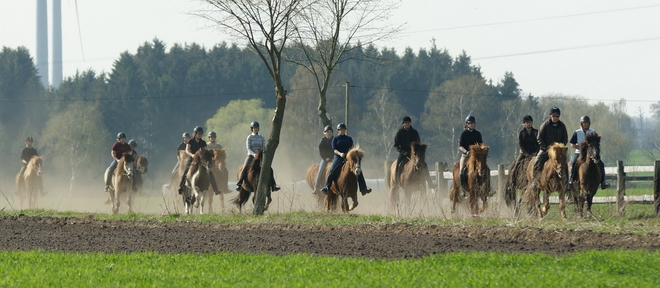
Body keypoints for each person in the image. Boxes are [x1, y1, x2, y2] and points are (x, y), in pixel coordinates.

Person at [320, 123, 372, 195]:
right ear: (338, 131)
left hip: (348, 157)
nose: (342, 131)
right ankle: (326, 186)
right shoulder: (335, 138)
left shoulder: (349, 138)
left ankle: (363, 188)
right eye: (341, 130)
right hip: (338, 157)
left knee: (358, 169)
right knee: (332, 170)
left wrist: (350, 154)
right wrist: (340, 153)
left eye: (343, 130)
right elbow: (334, 149)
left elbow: (351, 148)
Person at [235, 121, 280, 192]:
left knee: (270, 168)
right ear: (252, 129)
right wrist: (254, 154)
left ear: (258, 129)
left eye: (256, 128)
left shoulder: (261, 137)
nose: (255, 129)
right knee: (244, 167)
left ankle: (273, 185)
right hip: (251, 156)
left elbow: (263, 147)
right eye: (254, 128)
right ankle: (239, 183)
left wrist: (260, 153)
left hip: (260, 156)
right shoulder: (249, 137)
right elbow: (248, 148)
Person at [567, 116, 609, 190]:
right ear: (581, 124)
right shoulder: (577, 132)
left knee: (601, 164)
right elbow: (572, 144)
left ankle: (603, 182)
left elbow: (596, 142)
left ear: (589, 124)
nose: (585, 124)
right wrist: (580, 148)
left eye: (587, 123)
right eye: (584, 123)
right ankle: (571, 181)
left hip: (591, 153)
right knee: (573, 163)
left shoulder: (592, 132)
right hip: (579, 153)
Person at [177, 126, 221, 195]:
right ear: (195, 133)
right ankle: (181, 186)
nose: (200, 135)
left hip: (201, 160)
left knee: (210, 171)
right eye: (198, 133)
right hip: (192, 159)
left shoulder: (203, 142)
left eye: (201, 133)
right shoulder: (190, 141)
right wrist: (192, 155)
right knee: (186, 170)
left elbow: (205, 150)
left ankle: (216, 189)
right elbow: (187, 150)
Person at [532, 107, 568, 179]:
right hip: (545, 149)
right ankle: (534, 181)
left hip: (558, 151)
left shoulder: (562, 126)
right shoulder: (545, 125)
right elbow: (539, 138)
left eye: (557, 116)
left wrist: (561, 147)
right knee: (536, 163)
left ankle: (567, 183)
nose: (555, 118)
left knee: (565, 165)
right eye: (553, 116)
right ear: (550, 115)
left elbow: (565, 139)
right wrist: (546, 148)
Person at [508, 115, 539, 188]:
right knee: (516, 165)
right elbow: (521, 144)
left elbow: (538, 143)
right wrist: (527, 154)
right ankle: (512, 183)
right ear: (524, 124)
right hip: (524, 152)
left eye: (530, 122)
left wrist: (537, 153)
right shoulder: (521, 133)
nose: (529, 124)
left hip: (535, 152)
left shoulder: (536, 132)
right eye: (527, 122)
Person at [393, 116, 421, 186]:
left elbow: (418, 143)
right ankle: (396, 182)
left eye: (408, 123)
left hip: (414, 153)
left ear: (410, 123)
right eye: (406, 123)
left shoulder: (414, 132)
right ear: (403, 124)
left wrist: (416, 151)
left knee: (423, 164)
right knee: (398, 165)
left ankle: (429, 183)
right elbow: (396, 145)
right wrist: (403, 152)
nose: (407, 124)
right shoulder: (399, 133)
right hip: (404, 153)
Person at [458, 115, 483, 186]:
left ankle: (487, 188)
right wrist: (466, 152)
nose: (472, 125)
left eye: (473, 123)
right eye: (471, 123)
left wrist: (482, 150)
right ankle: (462, 188)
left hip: (476, 156)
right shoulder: (464, 134)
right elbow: (460, 146)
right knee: (462, 169)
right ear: (467, 124)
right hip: (466, 155)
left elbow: (481, 144)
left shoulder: (478, 134)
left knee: (485, 168)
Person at [313, 125, 334, 193]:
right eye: (327, 132)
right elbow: (321, 151)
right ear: (325, 133)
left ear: (332, 133)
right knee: (320, 170)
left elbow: (335, 149)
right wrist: (325, 158)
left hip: (333, 159)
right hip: (325, 159)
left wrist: (332, 157)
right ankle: (316, 187)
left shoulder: (334, 139)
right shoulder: (323, 141)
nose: (329, 133)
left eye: (330, 132)